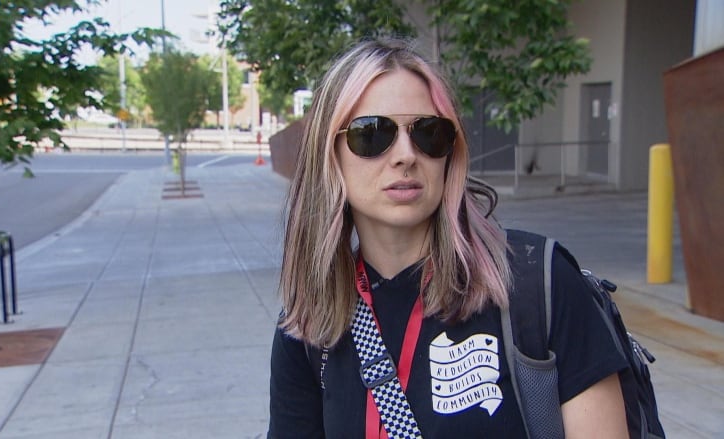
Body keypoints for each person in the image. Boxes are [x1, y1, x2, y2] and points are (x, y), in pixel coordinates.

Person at [269, 38, 628, 438]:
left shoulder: (538, 284)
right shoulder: (308, 324)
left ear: (449, 153)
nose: (406, 155)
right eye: (372, 133)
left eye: (428, 133)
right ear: (328, 154)